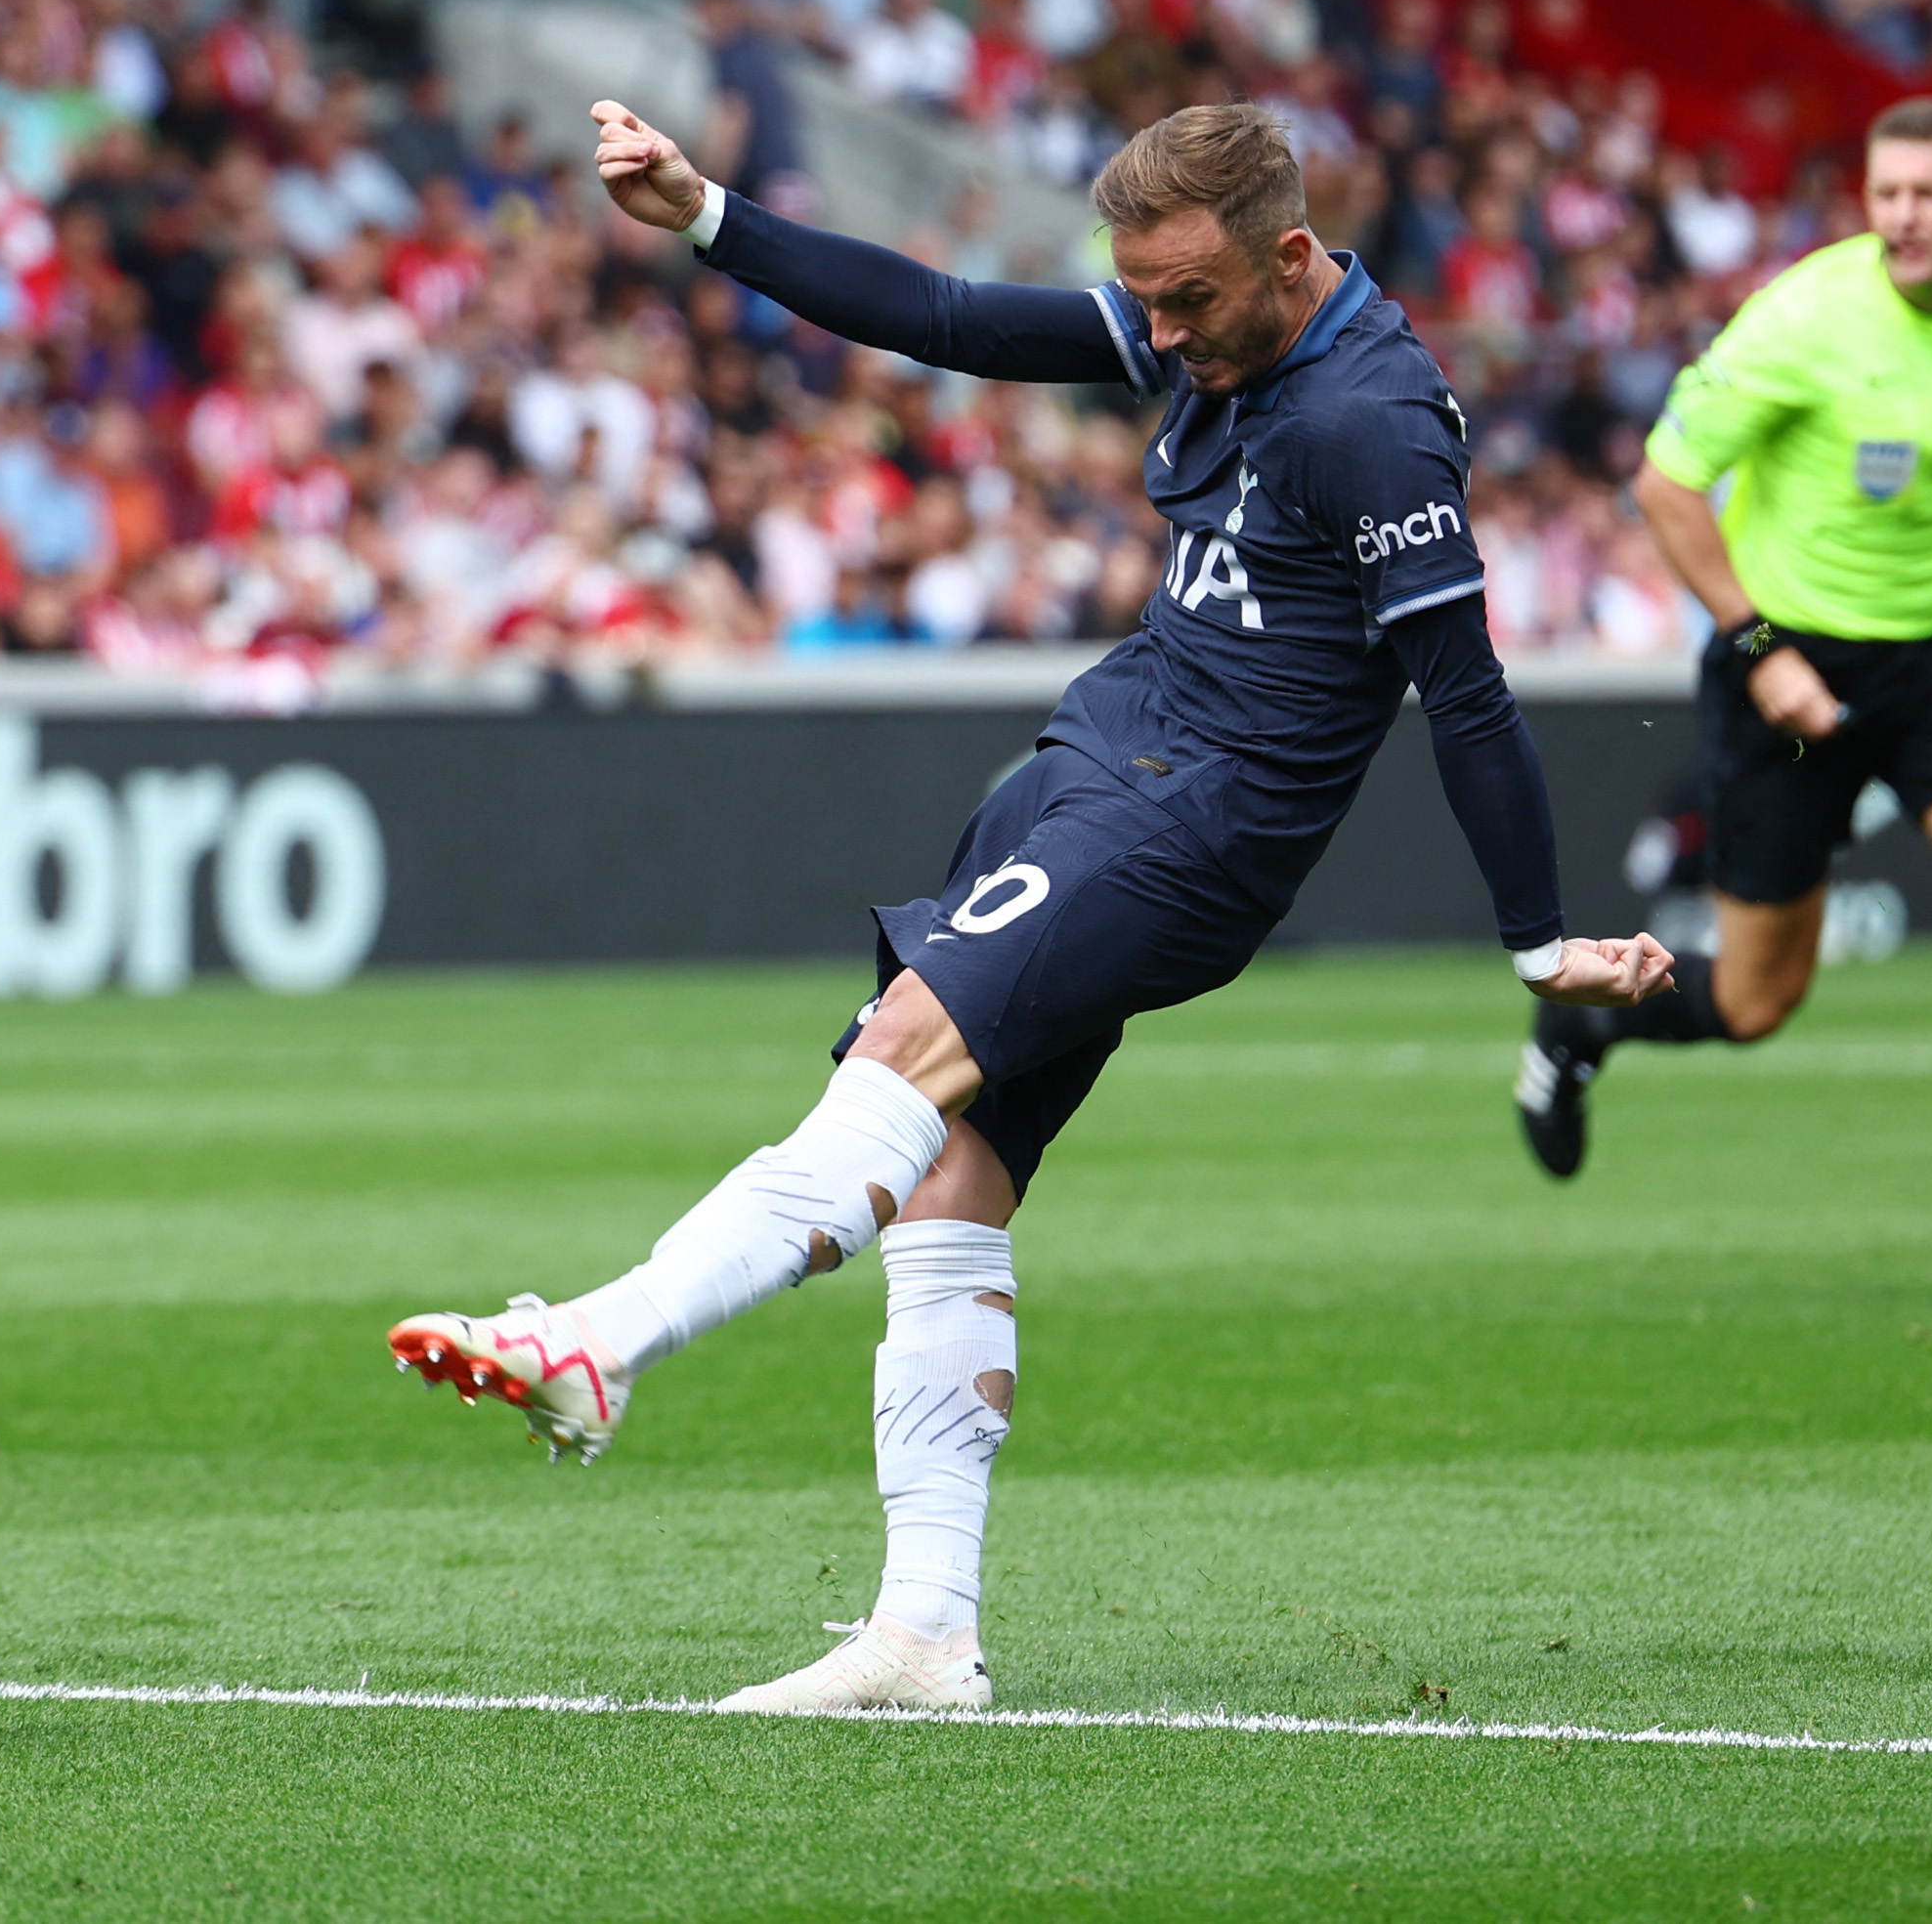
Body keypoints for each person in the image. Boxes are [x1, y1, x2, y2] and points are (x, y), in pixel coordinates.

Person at [393, 100, 1671, 1714]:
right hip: (1095, 769)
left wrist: (1536, 940)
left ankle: (600, 1338)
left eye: (1184, 301)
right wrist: (709, 212)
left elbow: (1468, 698)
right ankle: (923, 1631)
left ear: (1289, 257)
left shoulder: (1369, 416)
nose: (1155, 332)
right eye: (1137, 296)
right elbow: (940, 317)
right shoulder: (1211, 328)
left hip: (1185, 825)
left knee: (900, 1058)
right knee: (947, 1176)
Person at [1515, 97, 1932, 1316]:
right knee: (1755, 999)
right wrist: (1760, 646)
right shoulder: (1802, 317)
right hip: (1780, 660)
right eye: (1884, 194)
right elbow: (1667, 487)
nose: (1901, 217)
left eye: (1928, 195)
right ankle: (1583, 1036)